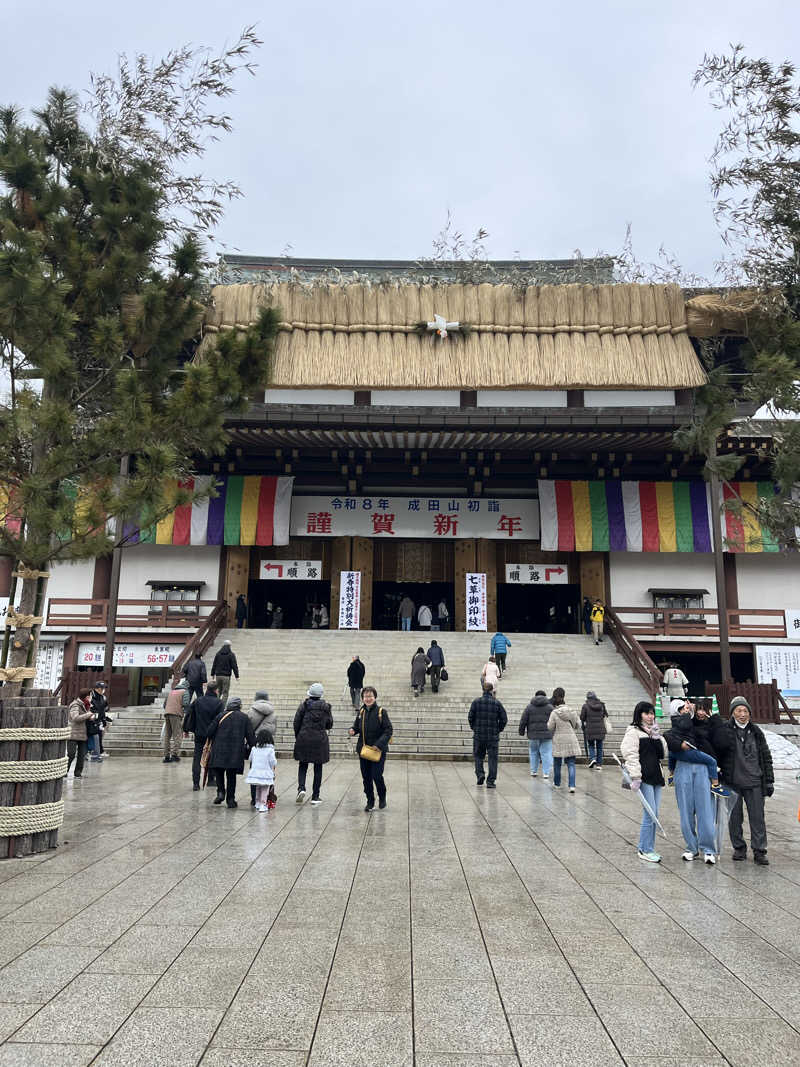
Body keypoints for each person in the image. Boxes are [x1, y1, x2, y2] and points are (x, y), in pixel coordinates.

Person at [718, 696, 774, 865]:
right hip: (732, 781)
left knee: (758, 818)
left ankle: (759, 850)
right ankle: (739, 848)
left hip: (755, 781)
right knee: (734, 818)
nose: (742, 714)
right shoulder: (726, 730)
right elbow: (718, 752)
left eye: (745, 711)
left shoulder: (756, 732)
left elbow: (766, 757)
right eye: (738, 710)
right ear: (732, 713)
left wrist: (769, 780)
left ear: (749, 713)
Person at [665, 702, 718, 864]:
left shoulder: (697, 723)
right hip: (682, 769)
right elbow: (673, 750)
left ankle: (708, 849)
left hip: (701, 769)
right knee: (685, 811)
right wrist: (672, 770)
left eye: (687, 709)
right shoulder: (674, 729)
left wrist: (694, 711)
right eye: (683, 709)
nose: (687, 711)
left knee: (705, 810)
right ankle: (691, 847)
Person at [620, 701, 668, 863]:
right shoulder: (633, 732)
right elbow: (630, 754)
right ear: (639, 714)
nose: (650, 716)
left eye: (652, 713)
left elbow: (662, 754)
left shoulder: (652, 732)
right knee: (650, 813)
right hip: (644, 778)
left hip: (656, 776)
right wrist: (635, 777)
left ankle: (649, 847)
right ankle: (644, 849)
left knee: (655, 814)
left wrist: (657, 737)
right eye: (647, 713)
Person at [665, 698, 728, 794]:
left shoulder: (712, 723)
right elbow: (670, 735)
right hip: (692, 763)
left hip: (705, 767)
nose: (702, 713)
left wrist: (716, 719)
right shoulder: (687, 723)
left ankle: (671, 775)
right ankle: (715, 786)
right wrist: (689, 712)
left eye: (704, 710)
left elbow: (722, 743)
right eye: (699, 709)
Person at [350, 686, 394, 811]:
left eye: (370, 696)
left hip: (378, 751)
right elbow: (356, 726)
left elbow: (388, 730)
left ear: (375, 697)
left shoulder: (381, 712)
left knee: (377, 775)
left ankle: (382, 796)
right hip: (364, 750)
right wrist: (353, 730)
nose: (368, 699)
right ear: (363, 698)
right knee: (366, 777)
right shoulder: (361, 712)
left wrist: (379, 744)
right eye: (365, 696)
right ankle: (370, 800)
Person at [207, 697, 255, 808]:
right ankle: (230, 799)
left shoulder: (220, 716)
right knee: (231, 776)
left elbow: (209, 732)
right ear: (239, 706)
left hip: (219, 750)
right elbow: (251, 738)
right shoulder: (244, 718)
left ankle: (220, 792)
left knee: (218, 772)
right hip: (235, 752)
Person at [293, 682, 333, 805]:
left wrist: (299, 736)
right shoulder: (326, 707)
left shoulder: (304, 705)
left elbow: (296, 722)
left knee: (303, 765)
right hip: (320, 739)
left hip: (304, 737)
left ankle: (301, 788)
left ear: (309, 694)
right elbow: (329, 724)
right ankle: (315, 796)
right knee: (318, 767)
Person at [468, 681, 508, 788]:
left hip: (479, 736)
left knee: (478, 756)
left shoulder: (476, 702)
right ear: (491, 690)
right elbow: (504, 719)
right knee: (493, 759)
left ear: (483, 690)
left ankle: (480, 774)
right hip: (492, 737)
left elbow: (470, 717)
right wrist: (498, 729)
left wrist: (474, 728)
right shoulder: (497, 703)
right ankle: (490, 781)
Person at [185, 681, 224, 791]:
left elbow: (189, 715)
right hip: (213, 734)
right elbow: (220, 719)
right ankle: (211, 779)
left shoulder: (198, 701)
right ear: (216, 690)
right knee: (212, 756)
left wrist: (186, 729)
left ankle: (196, 783)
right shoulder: (219, 703)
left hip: (199, 733)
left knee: (197, 757)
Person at [547, 688, 581, 793]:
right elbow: (578, 725)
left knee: (557, 762)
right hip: (570, 738)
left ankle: (557, 783)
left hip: (559, 739)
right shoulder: (571, 711)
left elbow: (550, 727)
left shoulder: (554, 713)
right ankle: (572, 786)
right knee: (571, 763)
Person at [247, 690, 277, 806]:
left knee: (254, 769)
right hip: (269, 745)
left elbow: (248, 728)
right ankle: (265, 797)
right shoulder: (273, 713)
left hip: (255, 744)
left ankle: (254, 798)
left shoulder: (251, 711)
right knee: (268, 771)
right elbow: (273, 730)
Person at [518, 689, 554, 778]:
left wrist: (521, 731)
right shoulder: (550, 707)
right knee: (546, 753)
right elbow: (554, 721)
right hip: (547, 734)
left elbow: (523, 720)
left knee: (533, 752)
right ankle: (546, 772)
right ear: (545, 697)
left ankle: (534, 771)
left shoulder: (529, 707)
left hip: (533, 734)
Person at [247, 728, 277, 812]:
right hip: (266, 773)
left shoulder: (254, 749)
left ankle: (257, 802)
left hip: (255, 772)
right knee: (265, 788)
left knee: (258, 788)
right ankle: (263, 804)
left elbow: (250, 759)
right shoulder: (270, 750)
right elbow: (273, 762)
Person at [67, 689, 94, 779]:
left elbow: (86, 716)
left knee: (82, 755)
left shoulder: (87, 705)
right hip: (73, 733)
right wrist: (89, 714)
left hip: (82, 733)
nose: (90, 697)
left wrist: (91, 716)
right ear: (86, 696)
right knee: (71, 754)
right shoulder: (75, 704)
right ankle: (64, 772)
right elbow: (75, 718)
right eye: (89, 695)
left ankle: (78, 773)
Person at [163, 678, 190, 764]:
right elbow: (186, 703)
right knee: (177, 734)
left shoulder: (171, 692)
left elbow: (164, 704)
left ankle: (166, 756)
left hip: (167, 713)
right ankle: (174, 755)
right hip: (176, 714)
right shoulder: (185, 691)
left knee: (167, 735)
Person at [580, 691, 608, 769]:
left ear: (587, 698)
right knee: (599, 747)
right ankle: (599, 764)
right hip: (600, 729)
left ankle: (592, 759)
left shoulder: (585, 706)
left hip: (590, 729)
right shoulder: (601, 705)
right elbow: (604, 715)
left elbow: (582, 717)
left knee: (591, 745)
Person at [211, 639, 239, 704]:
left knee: (218, 691)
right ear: (229, 646)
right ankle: (222, 707)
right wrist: (237, 676)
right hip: (226, 676)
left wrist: (212, 674)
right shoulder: (231, 654)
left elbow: (214, 664)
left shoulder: (218, 654)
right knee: (225, 692)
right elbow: (234, 666)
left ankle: (215, 704)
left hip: (218, 675)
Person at [90, 681, 111, 761]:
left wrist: (104, 719)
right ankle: (94, 752)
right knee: (95, 737)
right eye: (102, 688)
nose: (103, 690)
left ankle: (99, 751)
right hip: (93, 720)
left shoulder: (103, 697)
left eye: (104, 688)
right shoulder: (92, 696)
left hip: (101, 719)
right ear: (97, 689)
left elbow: (105, 707)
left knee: (100, 736)